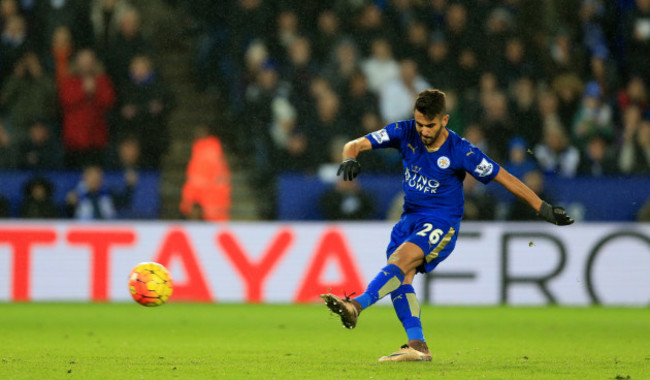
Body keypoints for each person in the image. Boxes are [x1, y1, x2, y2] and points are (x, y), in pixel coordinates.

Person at [320, 89, 573, 362]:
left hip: (441, 220)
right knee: (401, 276)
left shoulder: (462, 150)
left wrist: (542, 207)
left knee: (401, 260)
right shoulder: (404, 131)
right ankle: (417, 345)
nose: (423, 131)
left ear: (445, 120)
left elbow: (505, 177)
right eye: (419, 124)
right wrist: (349, 158)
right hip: (410, 218)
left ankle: (355, 306)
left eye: (430, 125)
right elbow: (354, 144)